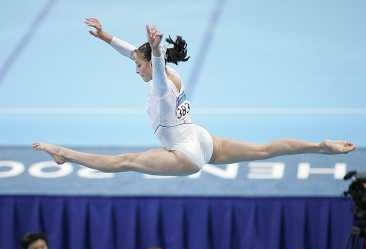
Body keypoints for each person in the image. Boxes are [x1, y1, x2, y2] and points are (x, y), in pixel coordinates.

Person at [32, 18, 356, 176]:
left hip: (183, 154)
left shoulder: (161, 83)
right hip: (200, 137)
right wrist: (106, 37)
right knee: (264, 149)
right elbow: (136, 53)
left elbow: (152, 65)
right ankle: (319, 146)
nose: (135, 70)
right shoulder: (174, 74)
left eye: (138, 66)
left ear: (151, 62)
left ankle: (63, 153)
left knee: (124, 162)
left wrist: (156, 50)